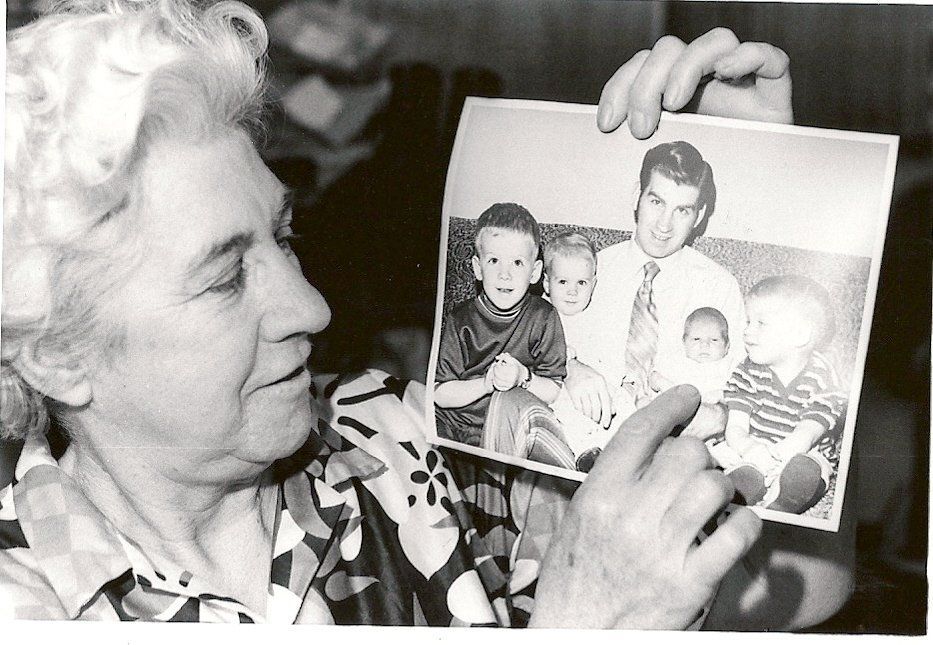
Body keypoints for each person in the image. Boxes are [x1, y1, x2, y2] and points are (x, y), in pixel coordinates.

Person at [0, 0, 851, 630]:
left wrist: (758, 184)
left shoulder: (387, 430)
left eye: (283, 237)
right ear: (59, 354)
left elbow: (801, 578)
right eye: (225, 278)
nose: (310, 305)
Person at [562, 141, 746, 434]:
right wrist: (569, 369)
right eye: (657, 202)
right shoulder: (589, 270)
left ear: (698, 216)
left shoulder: (719, 287)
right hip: (588, 429)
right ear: (637, 196)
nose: (664, 225)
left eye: (682, 211)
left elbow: (742, 391)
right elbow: (538, 340)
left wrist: (711, 418)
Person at [434, 204, 575, 469]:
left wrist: (524, 378)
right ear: (477, 267)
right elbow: (440, 393)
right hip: (456, 427)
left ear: (534, 272)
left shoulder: (544, 317)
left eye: (518, 262)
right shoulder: (460, 319)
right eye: (494, 260)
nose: (505, 274)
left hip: (510, 432)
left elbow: (554, 388)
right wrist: (487, 384)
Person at [709, 276, 846, 514]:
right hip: (754, 445)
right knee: (720, 453)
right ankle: (743, 483)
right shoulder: (747, 371)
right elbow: (736, 427)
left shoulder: (823, 376)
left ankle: (787, 496)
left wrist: (782, 455)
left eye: (761, 323)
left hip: (802, 450)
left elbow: (809, 430)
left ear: (799, 334)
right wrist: (749, 448)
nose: (747, 331)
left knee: (813, 467)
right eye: (748, 321)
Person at [542, 232, 623, 469]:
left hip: (601, 390)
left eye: (582, 283)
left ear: (593, 284)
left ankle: (627, 450)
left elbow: (612, 356)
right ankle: (586, 453)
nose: (572, 291)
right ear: (547, 283)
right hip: (559, 391)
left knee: (624, 403)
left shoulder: (598, 318)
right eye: (563, 282)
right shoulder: (541, 315)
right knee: (566, 405)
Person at [648, 306, 734, 437]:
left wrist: (719, 394)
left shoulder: (727, 366)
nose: (704, 345)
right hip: (673, 416)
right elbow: (654, 378)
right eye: (696, 339)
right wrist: (658, 380)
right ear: (684, 342)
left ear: (727, 346)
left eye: (714, 340)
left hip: (708, 425)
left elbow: (736, 393)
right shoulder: (678, 362)